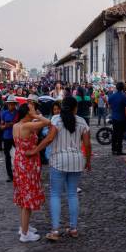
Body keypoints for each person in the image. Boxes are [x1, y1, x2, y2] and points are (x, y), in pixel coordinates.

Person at [28, 96, 91, 241]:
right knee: (72, 195)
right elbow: (87, 145)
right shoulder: (82, 122)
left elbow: (49, 139)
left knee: (56, 194)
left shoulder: (56, 119)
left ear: (63, 107)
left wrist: (35, 150)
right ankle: (73, 228)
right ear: (75, 108)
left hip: (59, 161)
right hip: (76, 161)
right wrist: (88, 161)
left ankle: (55, 230)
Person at [12, 104, 50, 242]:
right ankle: (25, 234)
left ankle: (24, 226)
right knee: (28, 196)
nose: (35, 110)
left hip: (20, 160)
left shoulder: (17, 125)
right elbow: (47, 122)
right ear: (28, 113)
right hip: (28, 162)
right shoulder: (27, 126)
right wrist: (35, 115)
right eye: (32, 108)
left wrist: (32, 116)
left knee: (23, 194)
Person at [1, 95, 19, 182]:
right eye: (9, 104)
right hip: (7, 137)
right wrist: (6, 126)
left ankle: (18, 173)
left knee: (18, 156)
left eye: (12, 104)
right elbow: (1, 126)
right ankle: (9, 175)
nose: (11, 106)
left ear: (15, 104)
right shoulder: (4, 113)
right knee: (7, 156)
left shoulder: (18, 113)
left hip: (16, 136)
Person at [108, 82, 126, 155]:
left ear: (116, 88)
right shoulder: (124, 97)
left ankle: (113, 149)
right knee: (120, 135)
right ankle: (119, 150)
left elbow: (109, 106)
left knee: (115, 133)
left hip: (114, 117)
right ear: (123, 88)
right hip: (122, 118)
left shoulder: (112, 96)